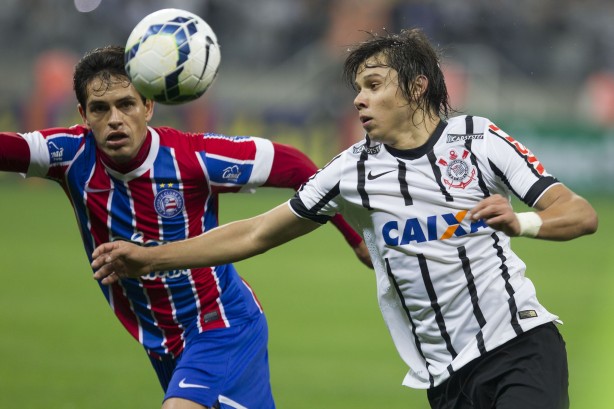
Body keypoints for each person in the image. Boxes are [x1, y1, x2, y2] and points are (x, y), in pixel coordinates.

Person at [92, 29, 599, 409]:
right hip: (444, 378)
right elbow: (256, 231)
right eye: (357, 87)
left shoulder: (478, 140)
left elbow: (579, 213)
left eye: (374, 84)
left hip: (521, 344)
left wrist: (524, 223)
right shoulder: (350, 171)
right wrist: (151, 258)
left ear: (418, 86)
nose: (359, 98)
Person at [0, 45, 372, 409]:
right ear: (83, 114)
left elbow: (297, 166)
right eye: (100, 108)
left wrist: (355, 237)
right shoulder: (69, 155)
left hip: (220, 323)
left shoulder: (191, 158)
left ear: (148, 106)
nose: (114, 119)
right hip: (161, 340)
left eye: (126, 104)